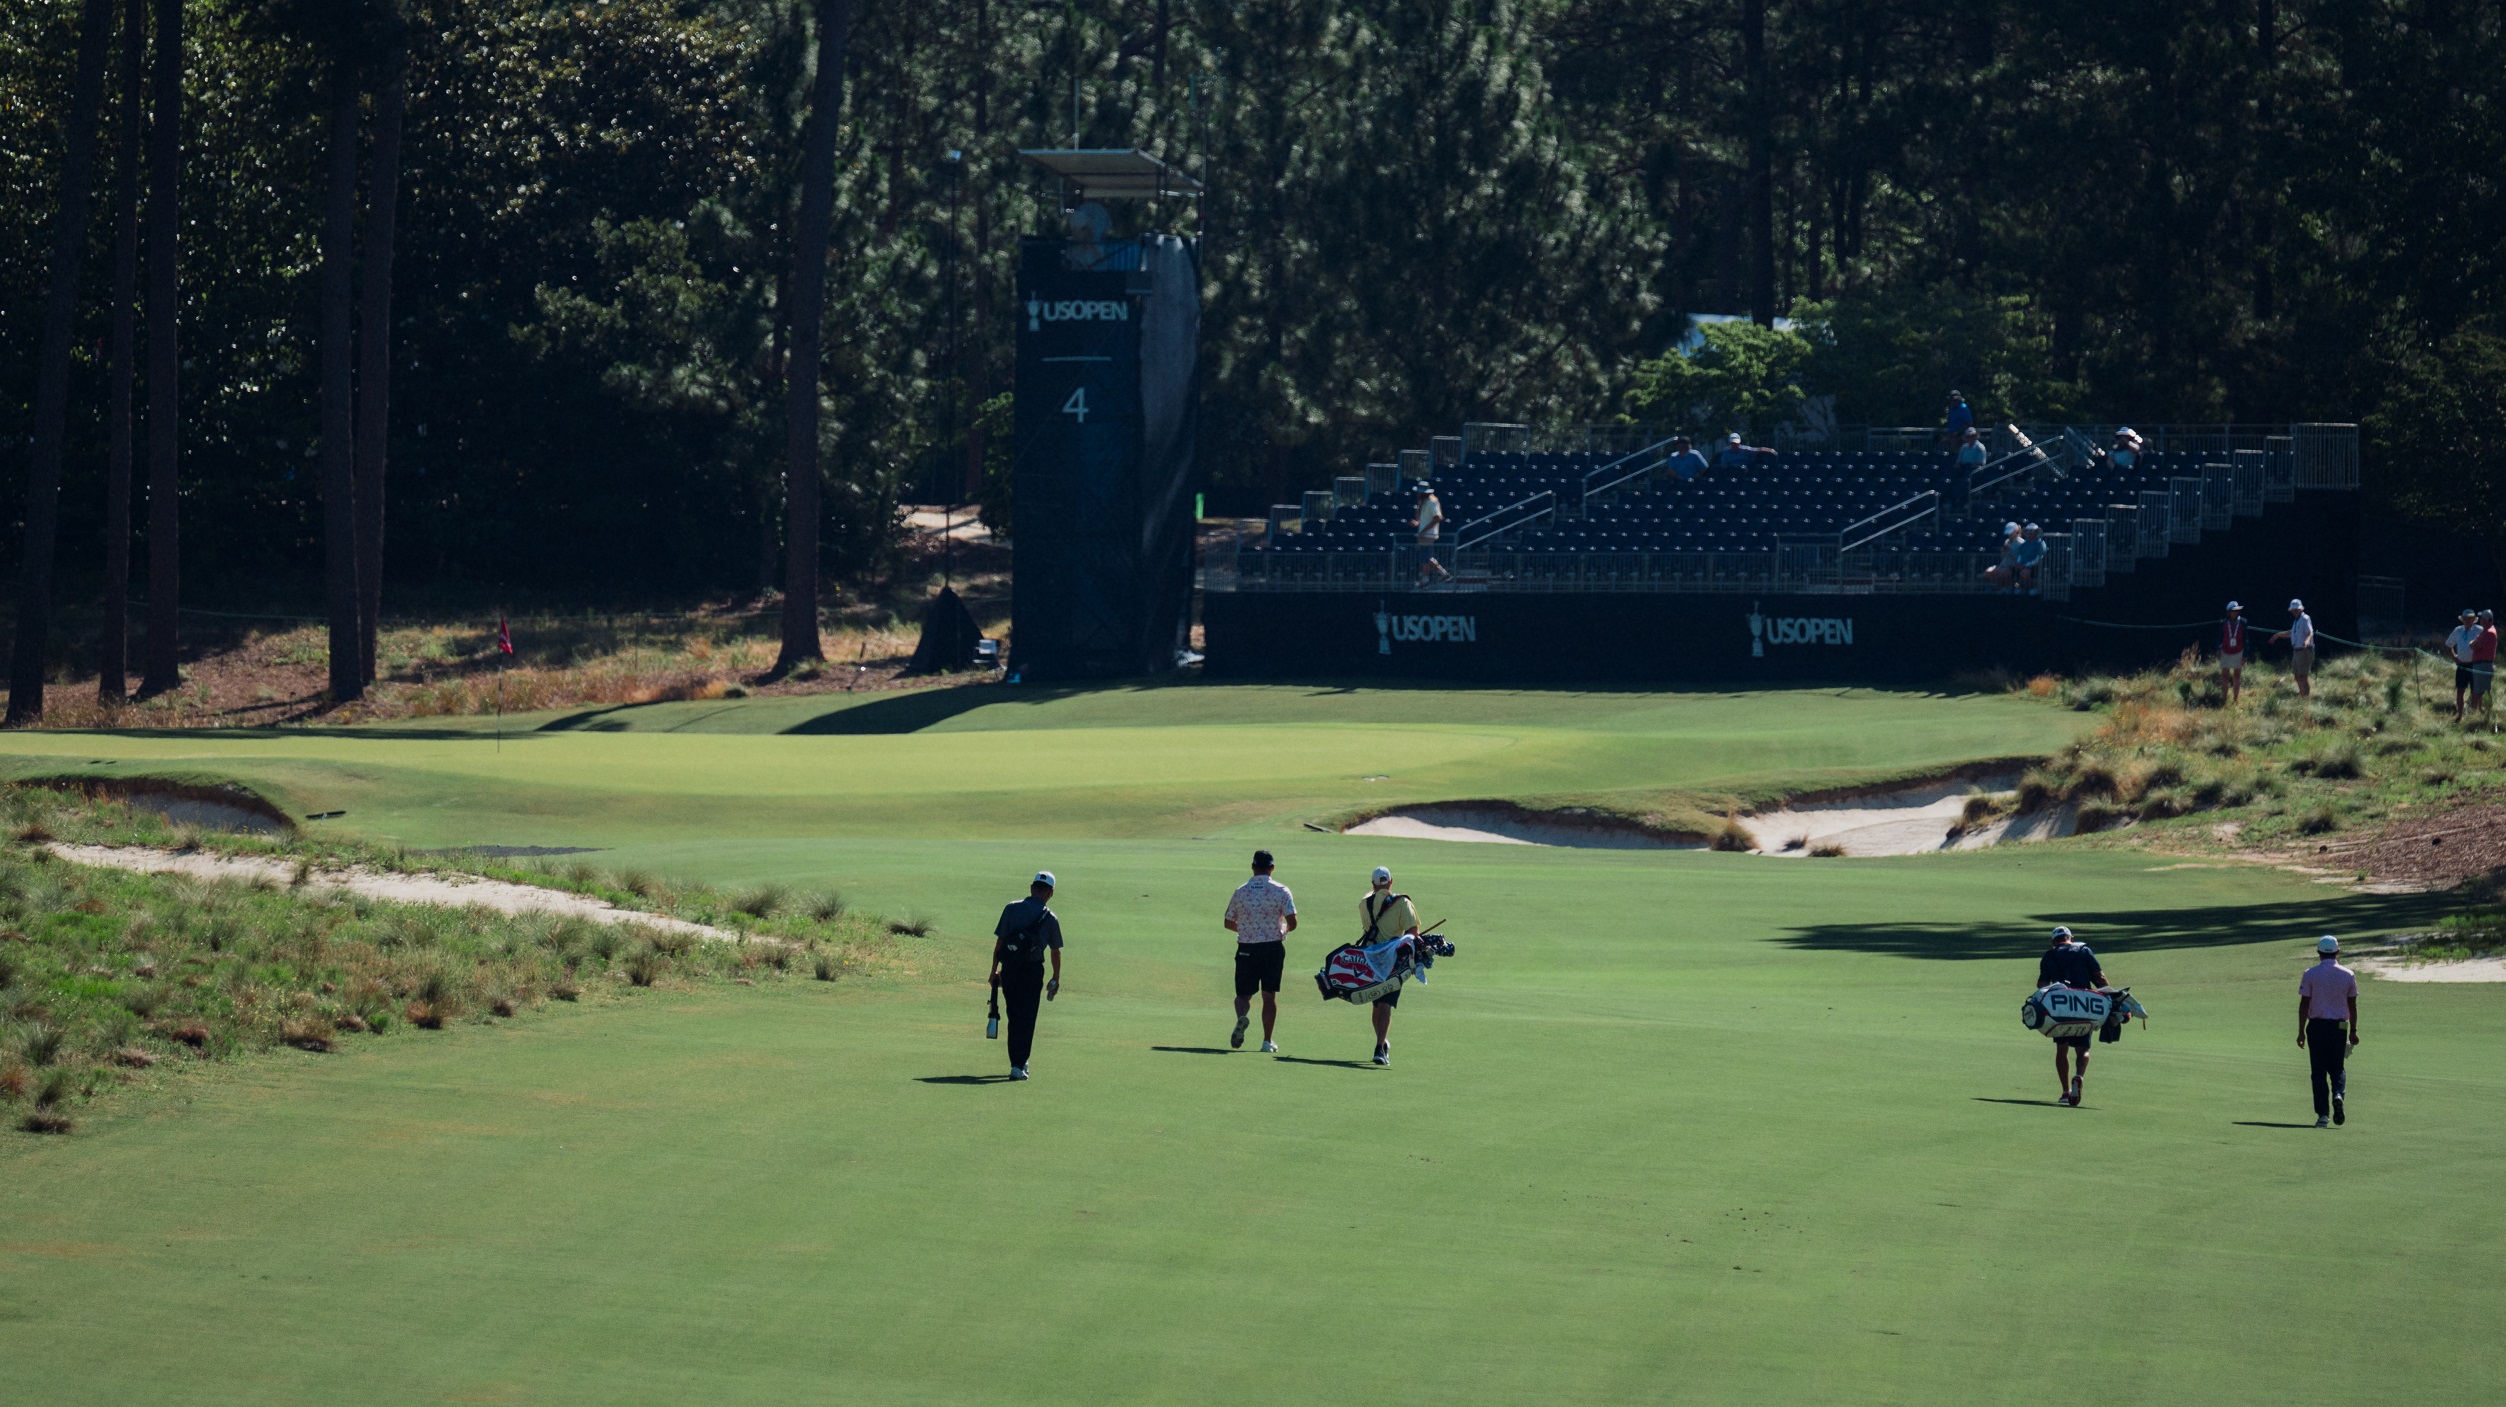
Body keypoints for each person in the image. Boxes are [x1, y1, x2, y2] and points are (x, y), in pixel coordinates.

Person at [988, 871, 1064, 1080]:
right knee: (1027, 1017)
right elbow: (1055, 951)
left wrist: (994, 970)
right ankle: (1018, 1064)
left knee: (1014, 1016)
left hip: (1010, 970)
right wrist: (1055, 977)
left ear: (1032, 888)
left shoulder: (1012, 908)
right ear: (1051, 892)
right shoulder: (1050, 918)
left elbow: (1000, 943)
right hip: (1032, 972)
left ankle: (1018, 1061)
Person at [1222, 849, 1297, 1053]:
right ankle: (1267, 1041)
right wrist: (1283, 929)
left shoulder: (1241, 891)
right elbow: (1293, 922)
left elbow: (1228, 922)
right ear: (1272, 868)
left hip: (1246, 947)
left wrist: (1247, 928)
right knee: (1269, 996)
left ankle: (1241, 1018)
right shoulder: (1281, 890)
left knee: (1242, 995)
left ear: (1253, 867)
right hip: (1272, 948)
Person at [2037, 925, 2108, 1106]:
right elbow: (2099, 977)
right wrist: (2111, 998)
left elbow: (2042, 984)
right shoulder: (2084, 951)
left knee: (2062, 1049)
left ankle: (2065, 1092)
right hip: (2084, 1006)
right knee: (2082, 1050)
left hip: (2060, 1009)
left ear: (2054, 941)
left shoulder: (2049, 955)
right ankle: (2079, 1076)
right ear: (2071, 938)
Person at [1358, 865, 1422, 1066]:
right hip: (1392, 961)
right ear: (1391, 881)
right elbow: (1413, 934)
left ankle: (1382, 1043)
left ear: (1373, 884)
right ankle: (1379, 1047)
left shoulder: (1364, 903)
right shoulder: (1402, 903)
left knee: (1377, 1003)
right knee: (1385, 1003)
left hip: (1369, 959)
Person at [2297, 935, 2360, 1128]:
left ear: (2318, 953)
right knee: (2337, 1068)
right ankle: (2338, 1094)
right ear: (2337, 952)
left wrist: (2301, 1032)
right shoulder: (2348, 974)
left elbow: (2304, 1004)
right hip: (2339, 1026)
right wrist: (2353, 1031)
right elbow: (2353, 1005)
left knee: (2318, 1071)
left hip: (2316, 1026)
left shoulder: (2310, 974)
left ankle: (2323, 1115)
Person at [2269, 598, 2316, 697]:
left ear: (2300, 609)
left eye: (2296, 609)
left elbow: (2310, 632)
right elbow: (2291, 633)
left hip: (2304, 651)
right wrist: (2278, 635)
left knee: (2303, 676)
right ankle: (2302, 693)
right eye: (2293, 610)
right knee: (2297, 675)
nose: (2294, 612)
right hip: (2297, 651)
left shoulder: (2305, 618)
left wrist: (2307, 640)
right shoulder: (2296, 621)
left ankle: (2305, 696)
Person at [2445, 607, 2482, 722]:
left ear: (2474, 619)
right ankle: (2460, 715)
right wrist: (2455, 657)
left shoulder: (2479, 630)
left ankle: (2474, 715)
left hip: (2475, 665)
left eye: (2470, 619)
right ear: (2463, 620)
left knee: (2475, 691)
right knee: (2460, 690)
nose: (2468, 621)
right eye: (2466, 619)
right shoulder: (2458, 630)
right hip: (2461, 665)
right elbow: (2448, 644)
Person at [1414, 487, 1449, 583]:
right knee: (1427, 557)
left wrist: (1425, 530)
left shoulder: (1432, 502)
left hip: (1428, 534)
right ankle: (1443, 573)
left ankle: (1426, 579)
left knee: (1425, 557)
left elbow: (1438, 517)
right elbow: (1419, 519)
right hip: (1423, 534)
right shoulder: (1422, 503)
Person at [2219, 601, 2250, 705]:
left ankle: (2235, 699)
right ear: (2229, 612)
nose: (2235, 613)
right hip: (2226, 651)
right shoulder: (2223, 623)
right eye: (2233, 611)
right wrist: (2218, 649)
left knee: (2237, 675)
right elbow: (2219, 638)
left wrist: (2246, 654)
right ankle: (2224, 698)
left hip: (2238, 651)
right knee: (2225, 675)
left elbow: (2246, 639)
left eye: (2237, 611)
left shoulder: (2243, 622)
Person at [2009, 522, 2047, 596]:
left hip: (2035, 567)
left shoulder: (2040, 543)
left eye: (2032, 531)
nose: (2030, 533)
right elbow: (2020, 556)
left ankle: (2032, 587)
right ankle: (2014, 588)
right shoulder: (2023, 545)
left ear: (2036, 532)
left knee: (2025, 573)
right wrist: (2018, 563)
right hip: (2022, 566)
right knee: (2008, 571)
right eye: (2028, 531)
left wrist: (2027, 565)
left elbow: (2039, 558)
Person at [1983, 521, 2022, 590]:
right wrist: (2003, 551)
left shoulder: (2021, 543)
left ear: (2016, 531)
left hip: (2013, 567)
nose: (2009, 535)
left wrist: (2009, 551)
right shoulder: (2006, 541)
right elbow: (2003, 557)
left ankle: (2012, 587)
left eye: (2011, 533)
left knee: (2004, 572)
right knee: (1988, 572)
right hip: (2003, 565)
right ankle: (2000, 586)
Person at [2474, 609, 2498, 719]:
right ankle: (2481, 710)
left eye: (2483, 619)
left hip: (2484, 664)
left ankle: (2487, 712)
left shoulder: (2489, 633)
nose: (2481, 621)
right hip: (2481, 664)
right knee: (2479, 690)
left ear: (2488, 620)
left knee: (2485, 690)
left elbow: (2476, 645)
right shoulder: (2485, 631)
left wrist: (2472, 644)